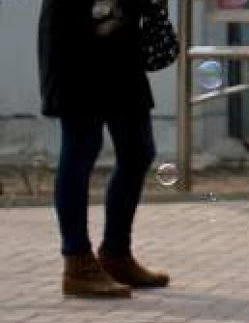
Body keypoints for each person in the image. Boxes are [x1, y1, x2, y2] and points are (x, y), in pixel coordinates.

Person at [38, 0, 169, 298]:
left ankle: (116, 253)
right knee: (82, 144)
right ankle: (77, 262)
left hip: (120, 40)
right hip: (76, 36)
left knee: (138, 148)